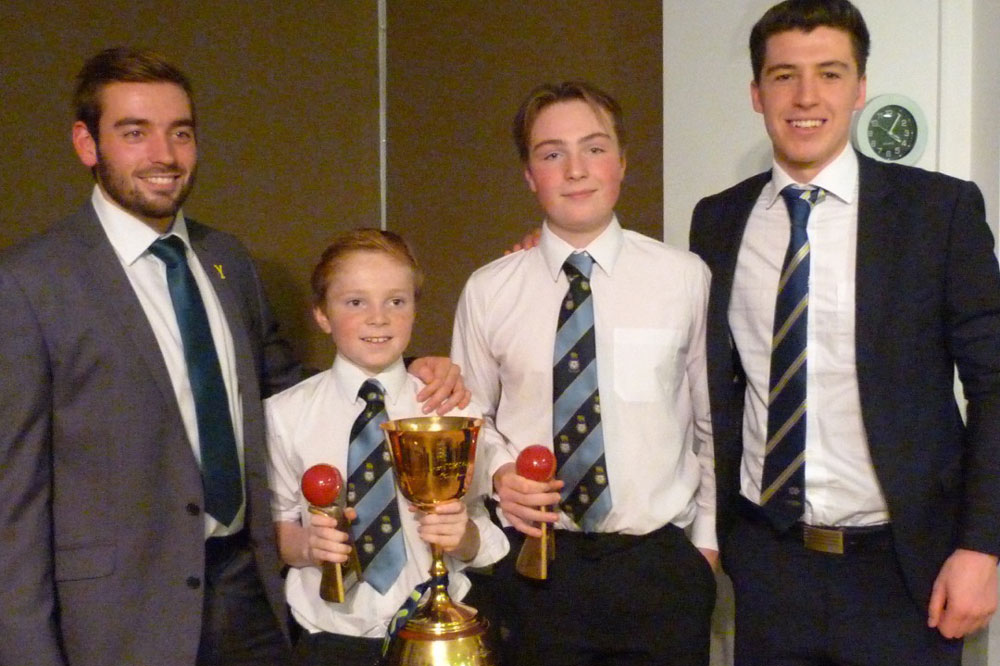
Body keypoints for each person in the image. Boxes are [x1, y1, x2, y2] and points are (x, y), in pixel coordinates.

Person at [0, 47, 466, 666]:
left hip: (253, 600)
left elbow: (296, 397)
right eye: (134, 133)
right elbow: (15, 497)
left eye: (180, 133)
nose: (163, 155)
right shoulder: (33, 282)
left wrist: (411, 375)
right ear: (87, 144)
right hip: (119, 619)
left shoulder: (228, 262)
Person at [688, 1, 1000, 664]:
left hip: (905, 571)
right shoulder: (716, 222)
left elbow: (995, 384)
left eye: (829, 74)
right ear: (756, 92)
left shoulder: (939, 213)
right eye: (783, 76)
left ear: (859, 89)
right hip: (768, 567)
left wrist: (983, 545)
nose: (806, 97)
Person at [452, 80, 717, 666]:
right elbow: (469, 414)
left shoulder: (684, 279)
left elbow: (711, 423)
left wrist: (706, 545)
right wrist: (498, 474)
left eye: (594, 148)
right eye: (551, 153)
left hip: (659, 569)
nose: (575, 169)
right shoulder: (489, 290)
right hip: (533, 565)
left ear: (622, 161)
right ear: (529, 174)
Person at [265, 229, 508, 665]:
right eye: (355, 302)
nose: (379, 318)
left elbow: (482, 531)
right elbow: (276, 528)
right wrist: (307, 547)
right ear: (322, 314)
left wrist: (463, 537)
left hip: (439, 640)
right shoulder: (284, 415)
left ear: (414, 309)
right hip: (331, 641)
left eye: (396, 301)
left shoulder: (450, 411)